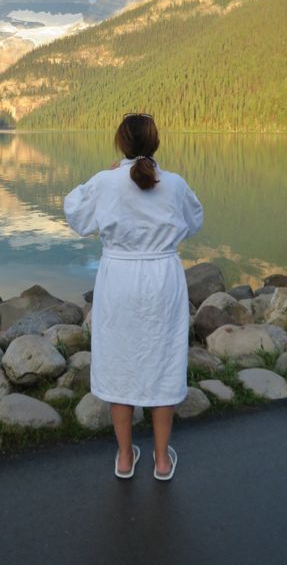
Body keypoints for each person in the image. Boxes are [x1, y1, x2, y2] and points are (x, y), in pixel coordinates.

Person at [63, 113, 203, 481]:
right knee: (163, 360)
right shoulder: (174, 184)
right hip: (162, 279)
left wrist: (109, 173)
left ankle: (125, 458)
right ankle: (161, 461)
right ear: (155, 143)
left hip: (120, 279)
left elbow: (74, 212)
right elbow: (194, 221)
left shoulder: (106, 182)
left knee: (120, 361)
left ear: (120, 144)